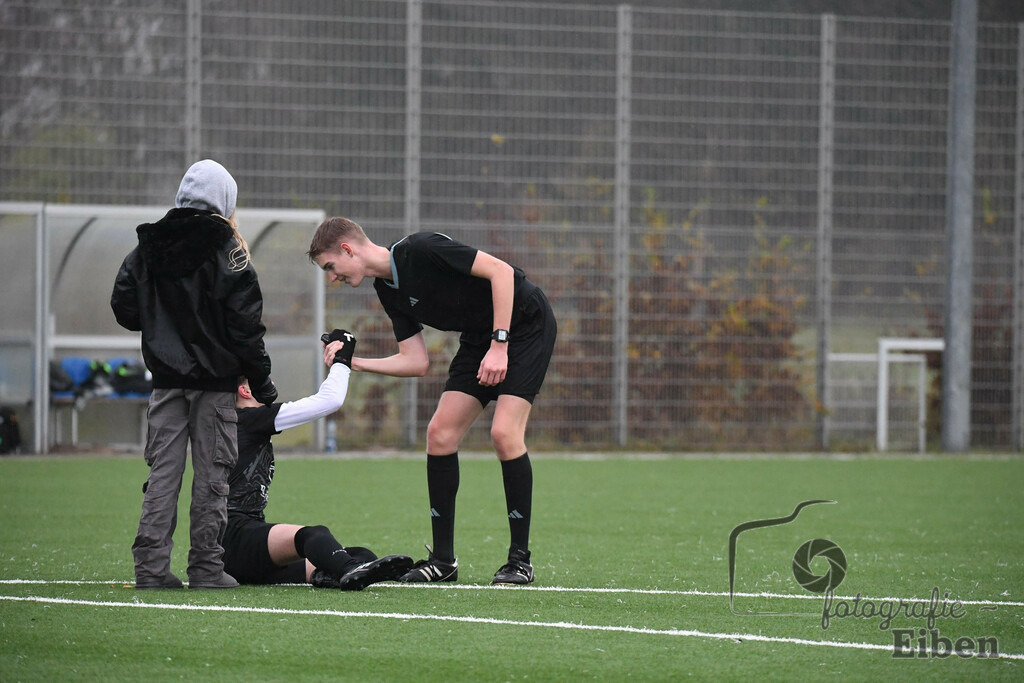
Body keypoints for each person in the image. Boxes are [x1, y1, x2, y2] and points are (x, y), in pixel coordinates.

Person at [306, 218, 557, 585]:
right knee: (439, 434)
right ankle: (443, 562)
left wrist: (500, 344)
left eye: (330, 267)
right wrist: (352, 362)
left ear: (348, 249)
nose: (332, 277)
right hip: (480, 338)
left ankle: (520, 560)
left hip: (524, 324)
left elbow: (501, 272)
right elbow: (416, 362)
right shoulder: (387, 290)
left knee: (504, 433)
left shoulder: (420, 249)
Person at [111, 159, 278, 590]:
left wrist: (160, 320)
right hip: (216, 387)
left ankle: (150, 570)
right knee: (213, 478)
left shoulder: (146, 246)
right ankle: (206, 569)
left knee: (162, 476)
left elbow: (124, 308)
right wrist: (262, 384)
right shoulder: (230, 250)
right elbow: (247, 327)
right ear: (225, 201)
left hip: (165, 384)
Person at [225, 329, 414, 589]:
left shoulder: (244, 423)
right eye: (261, 382)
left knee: (361, 554)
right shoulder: (248, 419)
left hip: (245, 543)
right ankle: (348, 572)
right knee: (316, 535)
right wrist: (342, 363)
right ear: (245, 390)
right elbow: (330, 401)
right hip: (234, 537)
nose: (269, 387)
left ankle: (331, 573)